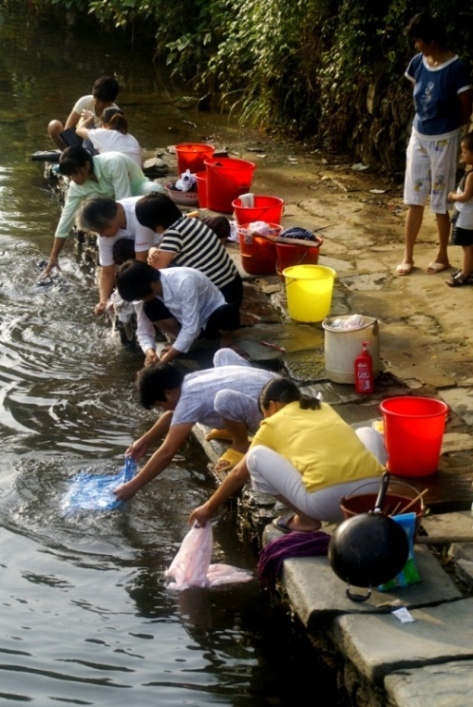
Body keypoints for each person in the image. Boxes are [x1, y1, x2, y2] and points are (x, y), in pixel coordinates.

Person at [189, 378, 386, 533]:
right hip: (375, 494)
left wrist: (208, 507)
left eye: (264, 413)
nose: (264, 419)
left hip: (328, 505)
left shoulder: (272, 423)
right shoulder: (321, 406)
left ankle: (306, 520)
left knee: (255, 456)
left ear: (273, 406)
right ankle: (380, 503)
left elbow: (239, 473)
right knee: (367, 433)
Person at [113, 349, 276, 500]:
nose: (162, 409)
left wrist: (133, 486)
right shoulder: (189, 381)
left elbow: (168, 451)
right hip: (275, 386)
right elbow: (173, 416)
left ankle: (240, 443)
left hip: (275, 412)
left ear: (168, 394)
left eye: (159, 405)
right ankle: (235, 426)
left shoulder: (189, 399)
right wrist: (144, 441)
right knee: (222, 353)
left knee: (224, 399)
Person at [396, 12, 472, 276]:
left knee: (441, 199)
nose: (417, 45)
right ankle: (408, 256)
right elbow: (418, 94)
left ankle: (442, 256)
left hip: (445, 138)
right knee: (414, 197)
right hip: (420, 135)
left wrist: (452, 129)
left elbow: (465, 108)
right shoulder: (418, 62)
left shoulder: (456, 68)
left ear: (432, 39)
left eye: (419, 40)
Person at [42, 147, 164, 277]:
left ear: (87, 165)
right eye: (70, 176)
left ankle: (153, 237)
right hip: (113, 209)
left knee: (153, 190)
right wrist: (54, 256)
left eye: (75, 173)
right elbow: (66, 219)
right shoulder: (77, 186)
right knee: (90, 203)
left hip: (136, 195)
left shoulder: (113, 163)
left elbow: (123, 200)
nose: (74, 179)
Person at [116, 260, 240, 365]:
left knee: (228, 312)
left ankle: (226, 339)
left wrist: (163, 361)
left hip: (210, 318)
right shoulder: (144, 295)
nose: (139, 300)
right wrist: (150, 353)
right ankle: (184, 342)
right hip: (183, 322)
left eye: (140, 297)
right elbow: (143, 330)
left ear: (152, 284)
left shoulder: (184, 282)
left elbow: (191, 327)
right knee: (149, 308)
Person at [136, 193, 243, 307]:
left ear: (155, 224)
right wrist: (153, 249)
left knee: (152, 301)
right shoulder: (188, 221)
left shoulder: (174, 233)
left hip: (220, 297)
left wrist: (151, 251)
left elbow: (154, 269)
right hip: (233, 285)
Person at [76, 195, 158, 315]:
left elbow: (141, 263)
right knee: (121, 248)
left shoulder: (139, 213)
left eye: (101, 231)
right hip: (139, 250)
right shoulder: (105, 232)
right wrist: (103, 301)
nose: (102, 236)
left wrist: (119, 295)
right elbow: (107, 271)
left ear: (108, 221)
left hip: (159, 248)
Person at [48, 76, 120, 151]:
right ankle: (66, 153)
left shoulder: (115, 113)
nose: (100, 105)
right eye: (98, 101)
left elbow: (111, 140)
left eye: (105, 103)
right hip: (78, 139)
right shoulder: (85, 101)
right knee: (54, 126)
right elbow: (68, 128)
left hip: (97, 146)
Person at [446, 133, 473, 286]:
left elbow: (467, 196)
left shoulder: (472, 175)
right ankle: (468, 269)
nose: (462, 154)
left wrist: (453, 196)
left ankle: (465, 274)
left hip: (467, 217)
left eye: (465, 151)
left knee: (467, 246)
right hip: (468, 216)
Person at [75, 107, 142, 166]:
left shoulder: (103, 133)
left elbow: (79, 130)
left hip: (114, 175)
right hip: (135, 177)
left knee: (90, 130)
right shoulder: (132, 138)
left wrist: (90, 118)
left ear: (102, 123)